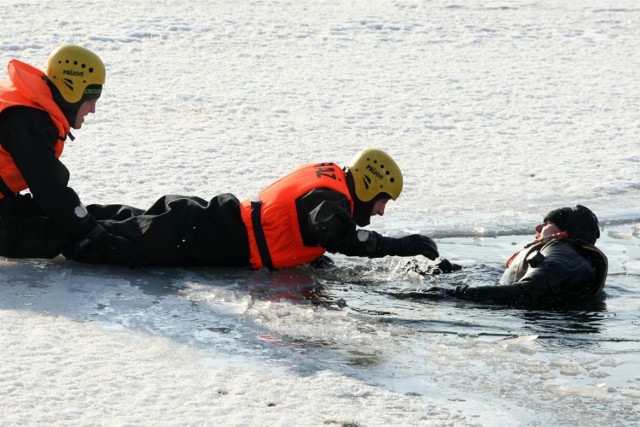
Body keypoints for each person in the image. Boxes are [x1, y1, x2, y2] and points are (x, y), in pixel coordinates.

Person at [63, 147, 439, 269]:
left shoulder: (332, 183)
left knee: (124, 222)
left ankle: (58, 214)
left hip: (218, 224)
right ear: (371, 185)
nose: (380, 213)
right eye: (380, 202)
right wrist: (398, 245)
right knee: (116, 245)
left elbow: (307, 233)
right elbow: (340, 235)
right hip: (218, 235)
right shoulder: (331, 199)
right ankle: (42, 227)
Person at [0, 44, 147, 267]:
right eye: (91, 100)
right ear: (72, 92)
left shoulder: (28, 110)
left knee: (84, 218)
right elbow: (49, 190)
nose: (92, 110)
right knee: (70, 233)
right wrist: (98, 238)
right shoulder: (25, 120)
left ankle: (152, 223)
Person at [413, 205, 608, 308]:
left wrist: (452, 294)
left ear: (564, 232)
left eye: (547, 223)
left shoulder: (563, 255)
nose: (538, 228)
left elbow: (527, 291)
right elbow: (508, 277)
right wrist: (452, 268)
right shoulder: (565, 255)